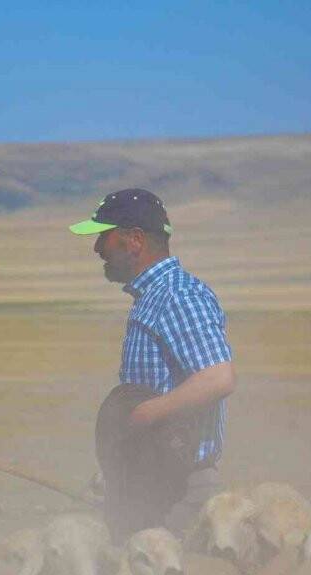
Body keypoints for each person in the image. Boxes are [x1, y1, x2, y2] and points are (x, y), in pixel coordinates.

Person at [69, 188, 235, 538]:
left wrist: (144, 415)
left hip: (180, 494)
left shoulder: (179, 295)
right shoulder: (153, 297)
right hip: (148, 486)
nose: (97, 248)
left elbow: (218, 377)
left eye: (104, 236)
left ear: (135, 240)